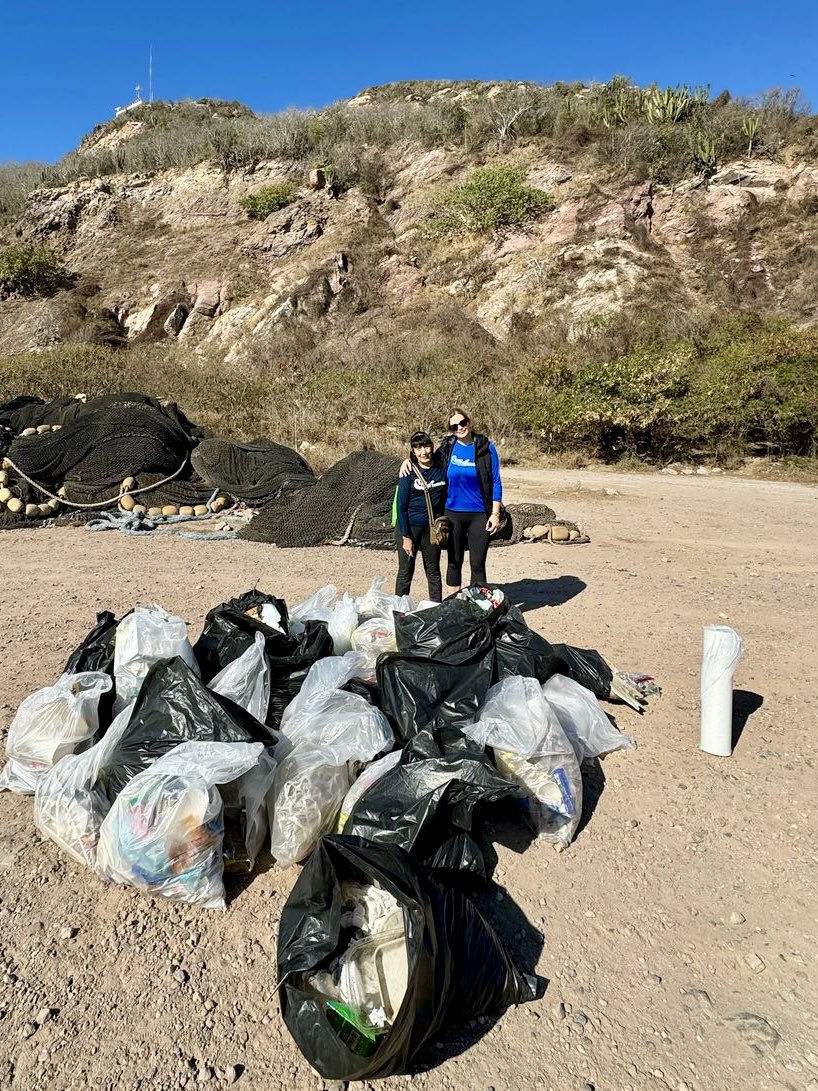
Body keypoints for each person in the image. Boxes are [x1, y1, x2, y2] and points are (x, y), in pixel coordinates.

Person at [439, 409, 503, 593]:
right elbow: (426, 462)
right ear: (450, 430)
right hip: (452, 514)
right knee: (454, 561)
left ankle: (478, 606)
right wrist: (408, 461)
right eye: (454, 426)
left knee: (478, 563)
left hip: (479, 514)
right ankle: (454, 604)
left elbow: (495, 481)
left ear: (469, 421)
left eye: (462, 423)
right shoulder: (447, 447)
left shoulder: (485, 447)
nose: (460, 428)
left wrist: (495, 513)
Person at [394, 430, 447, 602]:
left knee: (433, 572)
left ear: (432, 447)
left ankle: (436, 610)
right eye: (418, 448)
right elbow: (401, 507)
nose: (424, 452)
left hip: (431, 530)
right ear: (413, 452)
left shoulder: (441, 469)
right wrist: (406, 537)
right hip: (409, 527)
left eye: (426, 446)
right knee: (405, 572)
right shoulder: (408, 472)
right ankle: (399, 612)